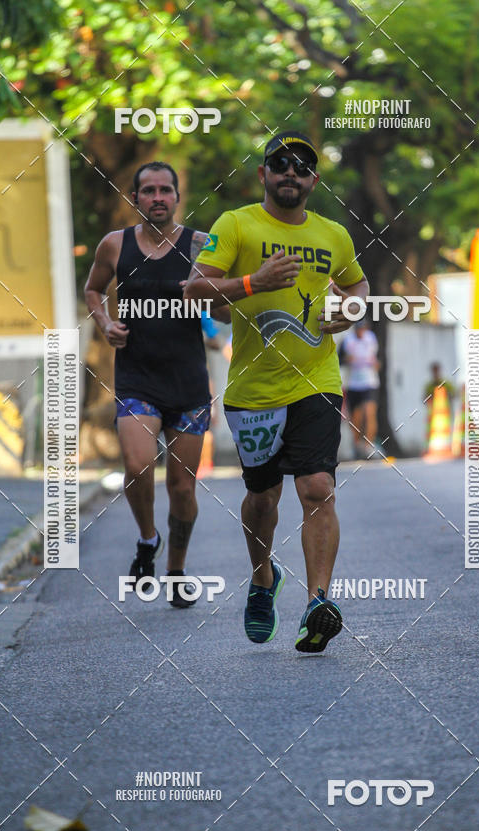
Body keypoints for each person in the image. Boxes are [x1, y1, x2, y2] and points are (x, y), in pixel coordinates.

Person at [184, 130, 369, 652]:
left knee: (317, 487)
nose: (291, 173)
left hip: (317, 379)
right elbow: (196, 287)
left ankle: (317, 603)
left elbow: (357, 285)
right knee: (263, 496)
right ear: (263, 174)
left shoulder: (333, 234)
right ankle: (263, 578)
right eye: (280, 164)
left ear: (313, 180)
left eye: (302, 167)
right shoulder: (236, 223)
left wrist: (348, 311)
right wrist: (252, 283)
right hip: (253, 387)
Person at [84, 161, 211, 608]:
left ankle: (176, 570)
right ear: (134, 198)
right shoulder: (114, 245)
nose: (157, 197)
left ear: (177, 197)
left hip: (189, 382)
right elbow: (93, 290)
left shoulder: (200, 245)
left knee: (182, 487)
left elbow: (227, 302)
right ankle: (146, 538)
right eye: (148, 190)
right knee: (138, 466)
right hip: (137, 376)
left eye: (165, 190)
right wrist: (104, 324)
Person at [341, 322, 380, 458]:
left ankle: (368, 445)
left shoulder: (371, 338)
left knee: (369, 412)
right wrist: (347, 359)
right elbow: (340, 359)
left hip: (369, 382)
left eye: (363, 329)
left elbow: (378, 358)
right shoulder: (348, 340)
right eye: (359, 330)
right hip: (353, 383)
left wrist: (376, 364)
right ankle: (357, 446)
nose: (361, 333)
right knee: (355, 417)